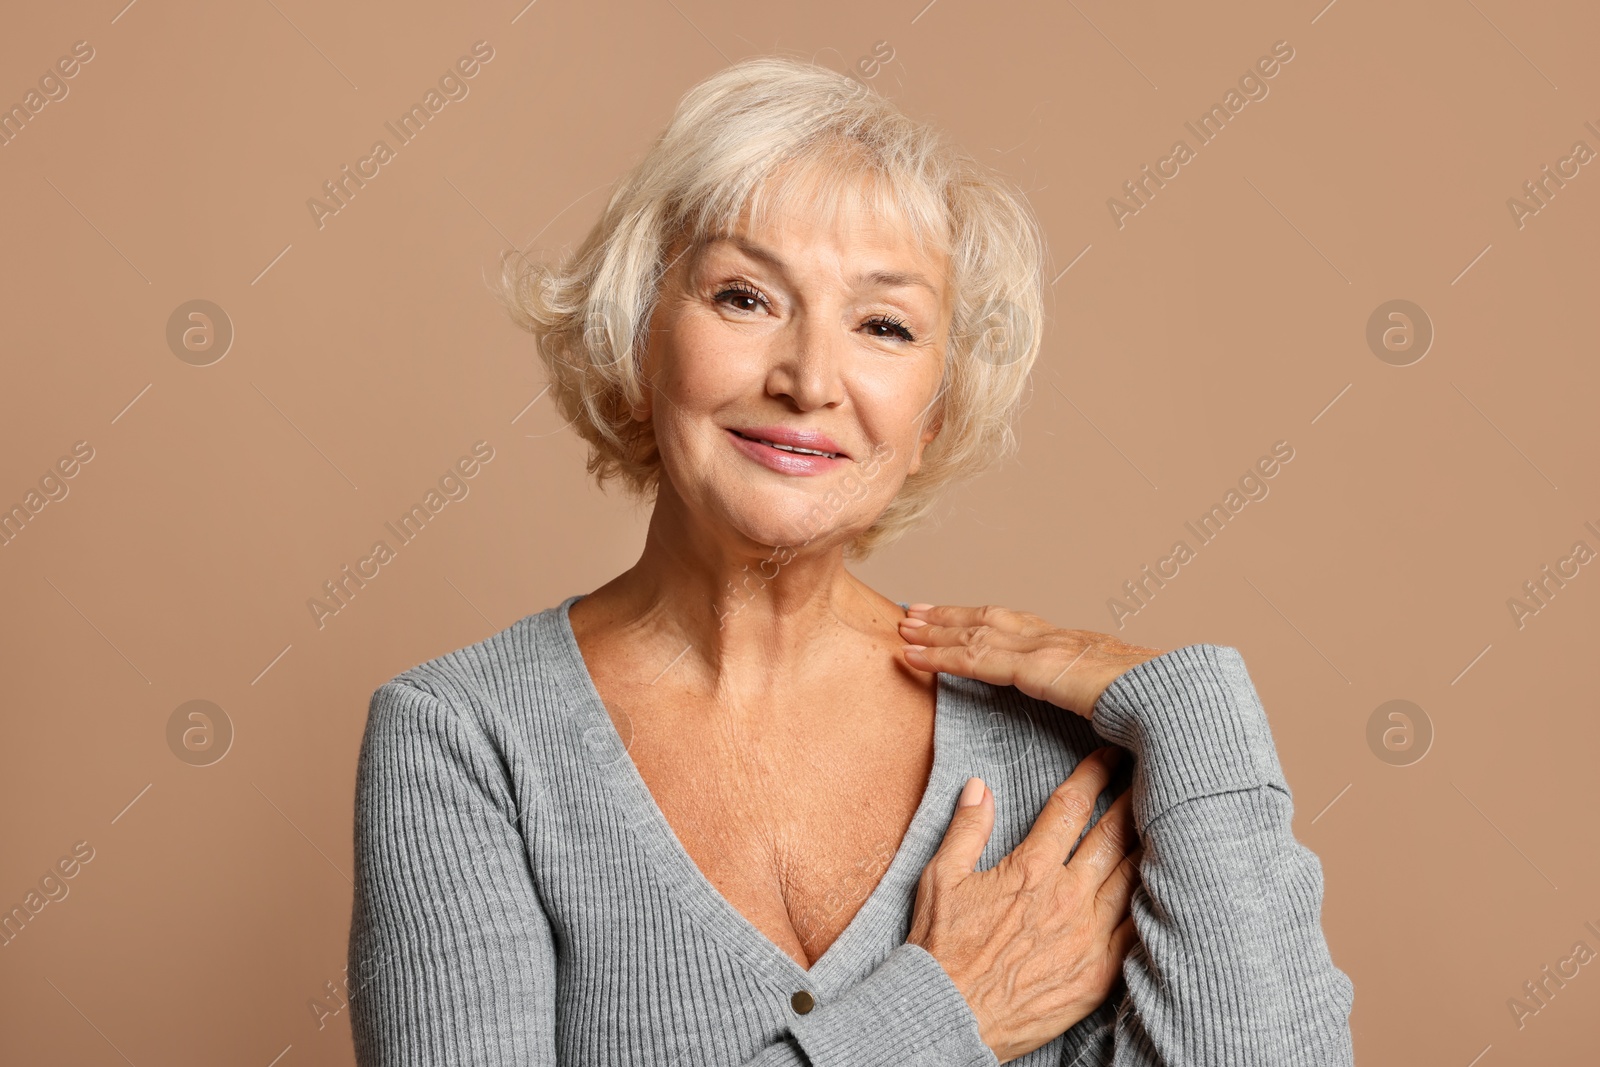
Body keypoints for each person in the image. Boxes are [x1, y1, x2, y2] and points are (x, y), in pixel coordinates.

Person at [347, 55, 1354, 1065]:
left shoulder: (1059, 753)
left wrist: (1195, 714)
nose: (809, 378)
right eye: (745, 297)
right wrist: (945, 1011)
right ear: (640, 336)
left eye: (883, 324)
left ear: (934, 412)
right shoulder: (463, 736)